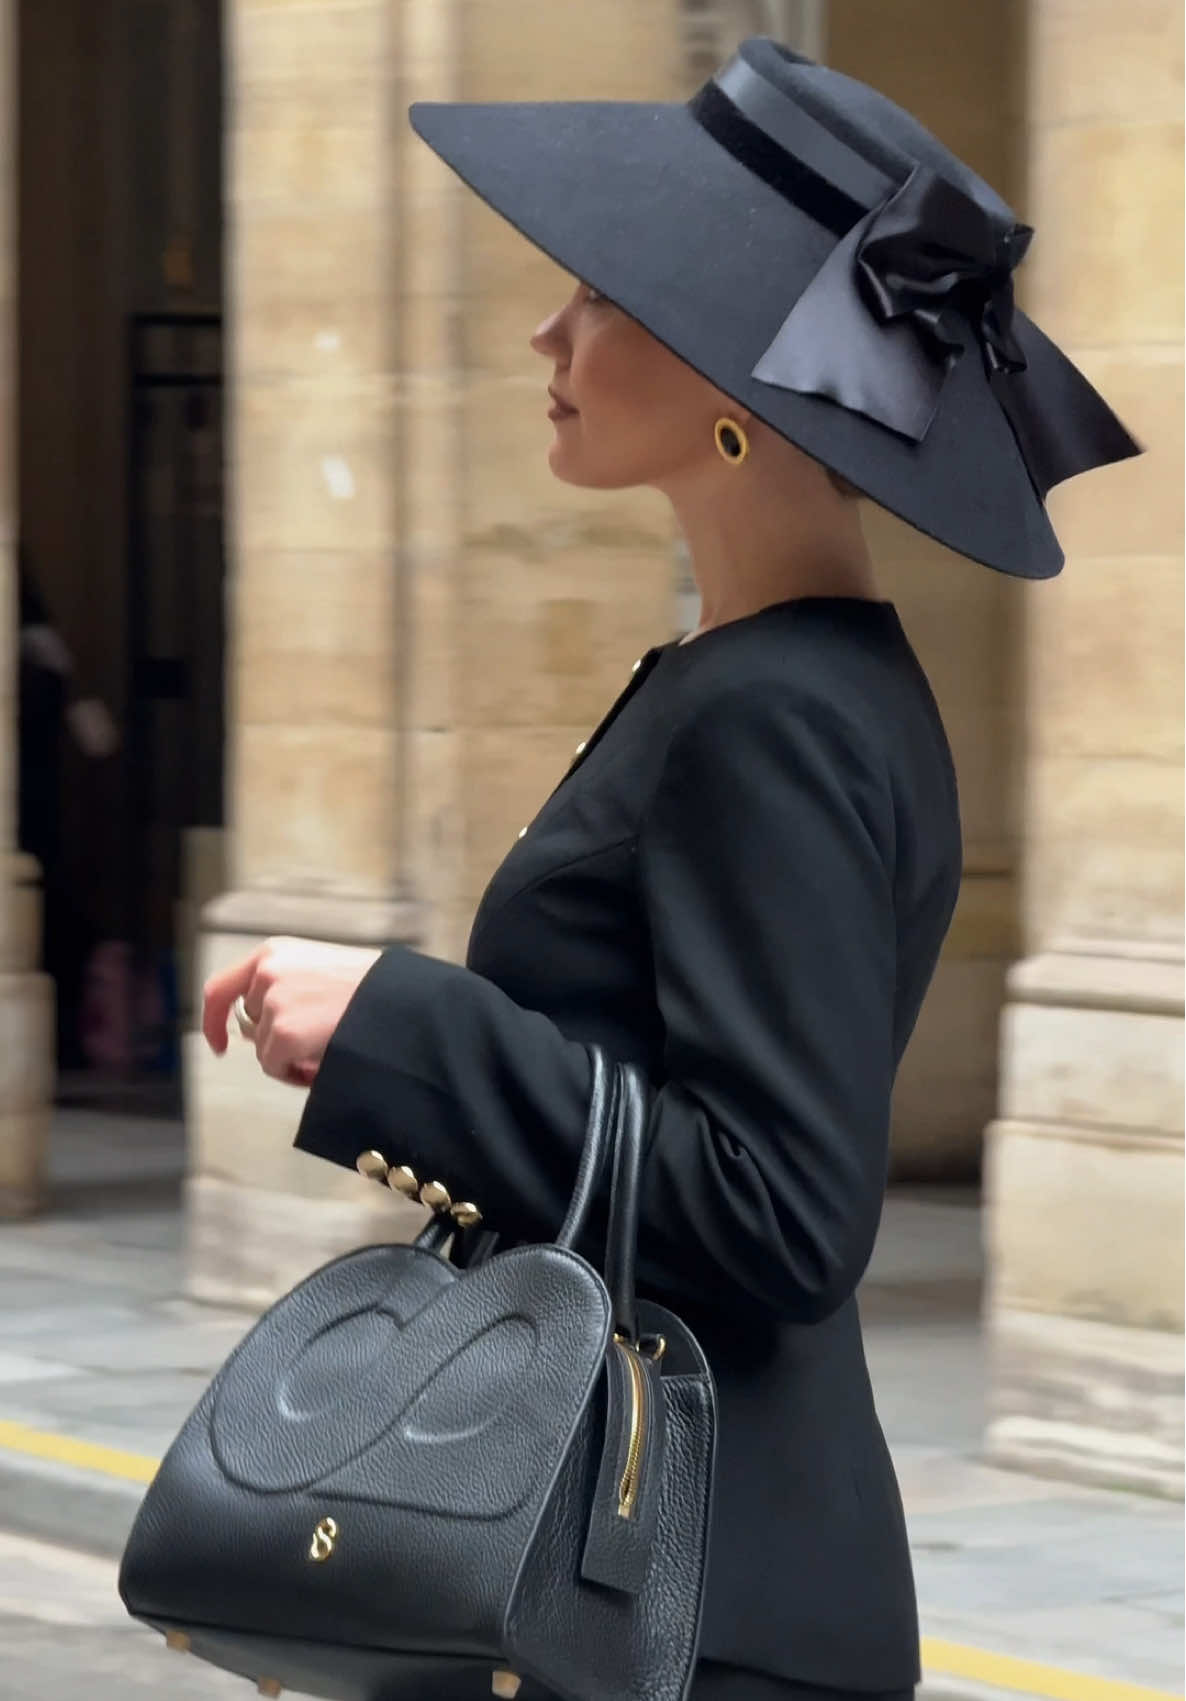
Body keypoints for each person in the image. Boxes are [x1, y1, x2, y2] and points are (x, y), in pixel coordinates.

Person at [202, 38, 1137, 1701]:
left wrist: (399, 1028)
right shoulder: (775, 681)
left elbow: (779, 1212)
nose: (546, 337)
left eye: (597, 298)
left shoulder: (773, 712)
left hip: (682, 1606)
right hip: (651, 1576)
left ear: (734, 385)